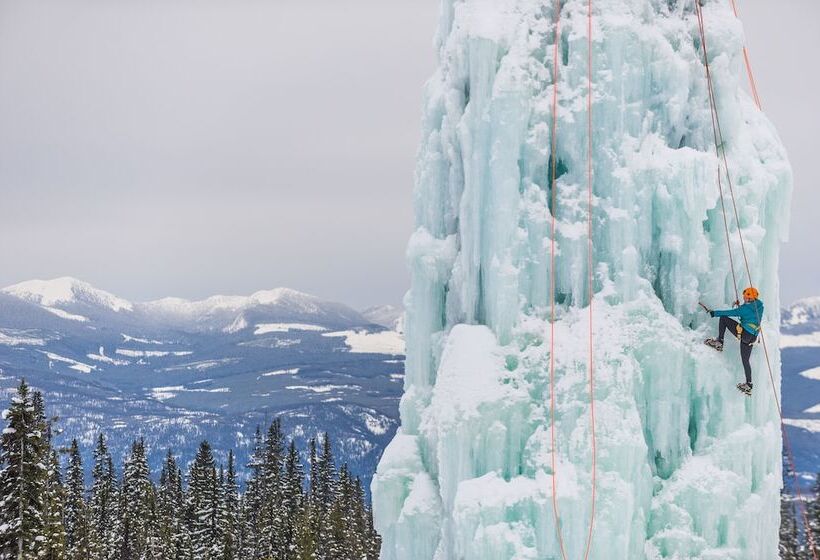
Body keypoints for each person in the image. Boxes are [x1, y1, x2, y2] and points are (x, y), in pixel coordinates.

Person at [704, 287, 764, 396]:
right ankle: (749, 384)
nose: (744, 298)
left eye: (746, 297)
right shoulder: (760, 306)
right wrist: (742, 306)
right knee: (745, 361)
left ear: (749, 298)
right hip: (752, 337)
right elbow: (748, 311)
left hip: (745, 334)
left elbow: (732, 312)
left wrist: (714, 313)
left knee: (724, 318)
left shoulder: (744, 309)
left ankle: (719, 342)